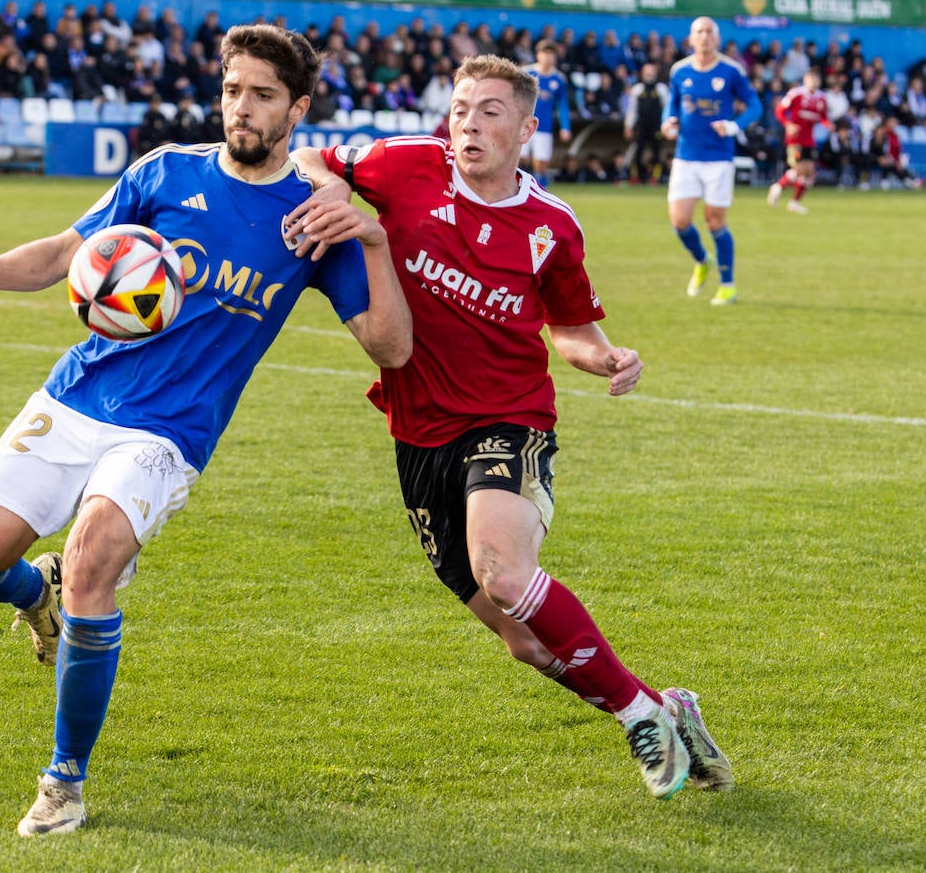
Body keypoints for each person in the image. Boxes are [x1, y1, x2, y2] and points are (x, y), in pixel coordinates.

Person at [0, 23, 411, 838]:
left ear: (298, 109)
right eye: (232, 90)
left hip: (170, 431)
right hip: (79, 395)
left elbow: (391, 346)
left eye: (262, 95)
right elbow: (67, 252)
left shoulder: (315, 219)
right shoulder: (166, 170)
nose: (241, 109)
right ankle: (38, 596)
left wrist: (375, 242)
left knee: (96, 562)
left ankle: (63, 781)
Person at [286, 53, 734, 801]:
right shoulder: (400, 166)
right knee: (523, 642)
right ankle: (664, 705)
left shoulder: (552, 225)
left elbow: (573, 330)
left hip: (508, 418)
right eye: (461, 107)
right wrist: (333, 185)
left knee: (505, 571)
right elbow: (305, 153)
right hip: (416, 431)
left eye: (491, 110)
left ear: (527, 129)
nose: (469, 123)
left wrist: (608, 356)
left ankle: (634, 718)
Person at [661, 16, 761, 306]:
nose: (703, 37)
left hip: (718, 158)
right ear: (690, 39)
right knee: (679, 221)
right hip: (686, 155)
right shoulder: (679, 71)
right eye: (698, 32)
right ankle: (703, 260)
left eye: (708, 32)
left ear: (716, 39)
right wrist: (668, 121)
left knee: (715, 221)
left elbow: (755, 105)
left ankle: (728, 286)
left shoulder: (731, 71)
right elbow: (673, 103)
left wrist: (734, 126)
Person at [767, 68, 830, 215]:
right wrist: (788, 124)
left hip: (809, 140)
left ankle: (794, 202)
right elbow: (779, 111)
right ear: (806, 79)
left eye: (816, 79)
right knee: (800, 170)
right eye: (811, 78)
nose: (814, 81)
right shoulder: (796, 94)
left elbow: (823, 117)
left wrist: (829, 124)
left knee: (810, 173)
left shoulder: (822, 98)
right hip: (795, 139)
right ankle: (778, 186)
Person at [521, 39, 572, 188]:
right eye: (545, 54)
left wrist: (565, 127)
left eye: (551, 54)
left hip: (543, 126)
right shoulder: (526, 74)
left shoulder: (559, 79)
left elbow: (562, 105)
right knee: (520, 159)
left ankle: (539, 193)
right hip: (523, 125)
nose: (548, 58)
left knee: (541, 163)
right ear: (538, 55)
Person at [623, 61, 670, 185]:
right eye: (647, 72)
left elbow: (667, 108)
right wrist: (628, 126)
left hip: (656, 126)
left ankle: (655, 178)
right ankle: (635, 177)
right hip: (641, 126)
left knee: (657, 152)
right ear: (642, 73)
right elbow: (632, 110)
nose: (649, 74)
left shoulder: (661, 89)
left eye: (651, 72)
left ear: (655, 73)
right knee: (637, 151)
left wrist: (667, 125)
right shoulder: (637, 89)